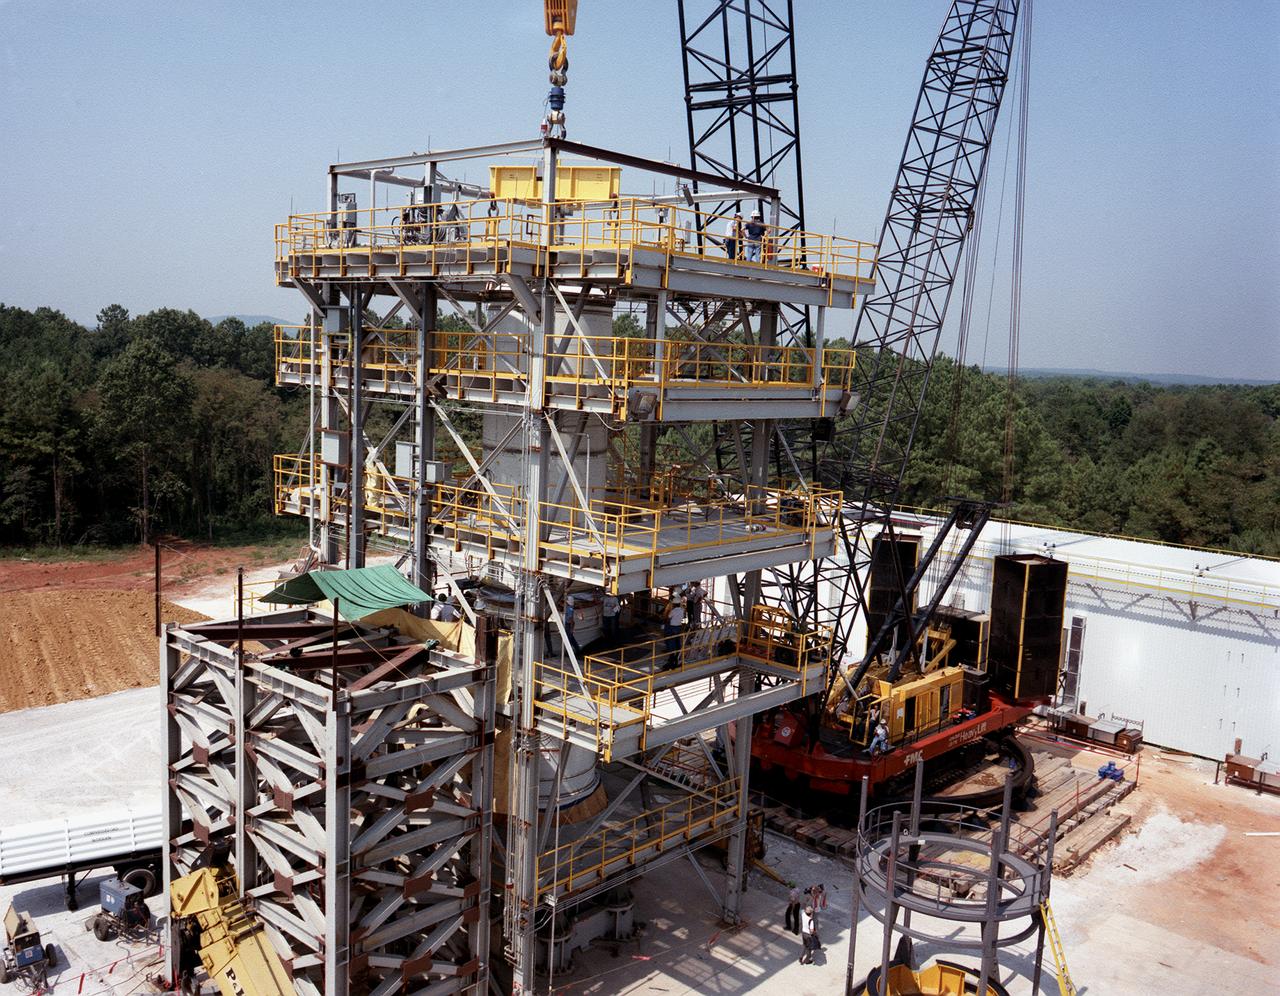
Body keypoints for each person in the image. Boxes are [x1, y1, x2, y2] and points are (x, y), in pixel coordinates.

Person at [662, 594, 686, 670]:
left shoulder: (673, 611)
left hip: (672, 627)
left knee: (670, 642)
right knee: (677, 641)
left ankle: (672, 657)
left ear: (674, 604)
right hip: (678, 627)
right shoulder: (682, 610)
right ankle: (677, 657)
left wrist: (665, 623)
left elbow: (668, 618)